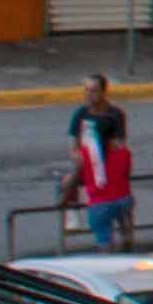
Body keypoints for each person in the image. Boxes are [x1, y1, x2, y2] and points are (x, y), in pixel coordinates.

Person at [59, 78, 134, 251]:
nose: (89, 95)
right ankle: (74, 216)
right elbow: (73, 145)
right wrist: (78, 157)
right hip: (89, 165)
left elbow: (119, 145)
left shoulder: (115, 115)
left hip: (103, 174)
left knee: (105, 237)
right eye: (86, 90)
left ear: (103, 92)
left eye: (93, 90)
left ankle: (122, 237)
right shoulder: (80, 114)